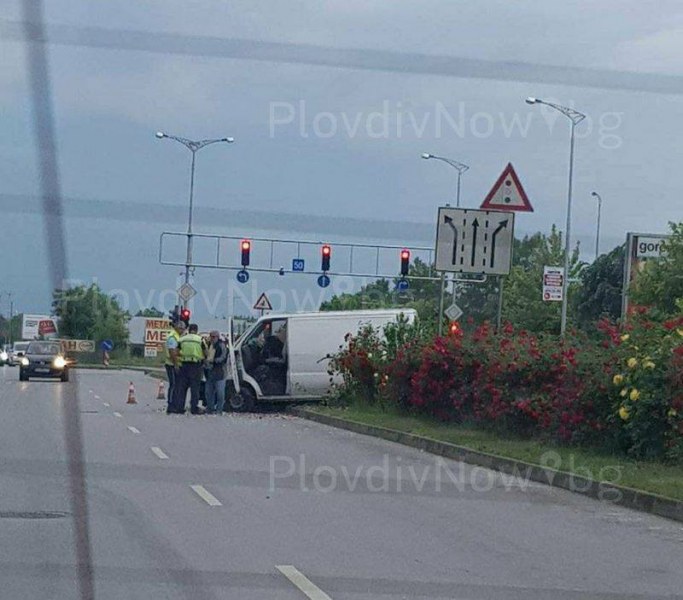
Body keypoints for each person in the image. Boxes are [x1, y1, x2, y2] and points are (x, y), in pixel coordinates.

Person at [172, 323, 206, 415]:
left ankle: (180, 408)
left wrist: (176, 364)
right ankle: (194, 408)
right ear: (196, 330)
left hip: (184, 365)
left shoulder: (182, 339)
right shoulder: (200, 340)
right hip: (196, 366)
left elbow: (175, 352)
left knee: (182, 388)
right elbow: (205, 352)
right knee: (195, 389)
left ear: (189, 329)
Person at [164, 320, 186, 415]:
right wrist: (176, 364)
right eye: (181, 328)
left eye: (183, 329)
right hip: (172, 364)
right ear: (177, 328)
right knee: (173, 385)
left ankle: (175, 405)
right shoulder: (173, 337)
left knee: (177, 385)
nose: (182, 330)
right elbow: (172, 352)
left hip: (175, 363)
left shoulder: (177, 336)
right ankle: (171, 405)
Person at [204, 330, 227, 414]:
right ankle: (210, 408)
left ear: (218, 337)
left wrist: (214, 361)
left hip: (220, 372)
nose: (212, 338)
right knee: (208, 393)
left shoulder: (221, 345)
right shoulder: (209, 345)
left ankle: (219, 409)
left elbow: (223, 357)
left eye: (214, 337)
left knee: (220, 393)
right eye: (211, 337)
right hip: (210, 372)